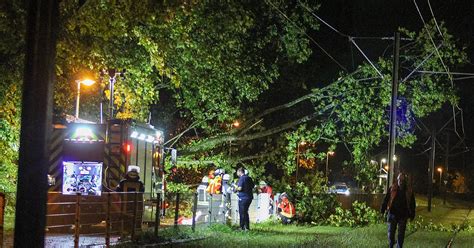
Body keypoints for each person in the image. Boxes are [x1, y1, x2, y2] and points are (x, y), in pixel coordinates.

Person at [381, 173, 416, 248]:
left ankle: (399, 246)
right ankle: (391, 245)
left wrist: (412, 213)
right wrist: (383, 210)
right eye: (399, 179)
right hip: (392, 214)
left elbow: (412, 203)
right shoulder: (392, 188)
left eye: (402, 180)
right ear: (397, 180)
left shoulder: (409, 191)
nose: (401, 181)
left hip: (403, 215)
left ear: (405, 181)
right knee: (391, 233)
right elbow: (386, 199)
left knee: (401, 234)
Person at [236, 166, 254, 231]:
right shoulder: (249, 178)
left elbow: (240, 188)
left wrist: (235, 188)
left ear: (240, 172)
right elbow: (253, 186)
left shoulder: (241, 178)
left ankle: (241, 227)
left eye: (237, 172)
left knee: (242, 212)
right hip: (249, 197)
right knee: (245, 212)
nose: (237, 174)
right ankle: (247, 227)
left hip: (243, 197)